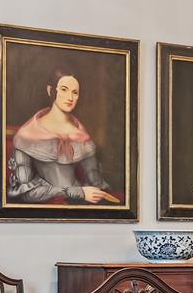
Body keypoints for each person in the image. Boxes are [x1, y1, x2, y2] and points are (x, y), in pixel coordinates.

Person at [7, 71, 117, 204]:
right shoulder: (27, 135)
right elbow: (23, 193)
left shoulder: (81, 135)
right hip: (46, 205)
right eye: (64, 90)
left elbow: (97, 183)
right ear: (50, 90)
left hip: (78, 204)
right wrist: (77, 192)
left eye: (75, 92)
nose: (70, 97)